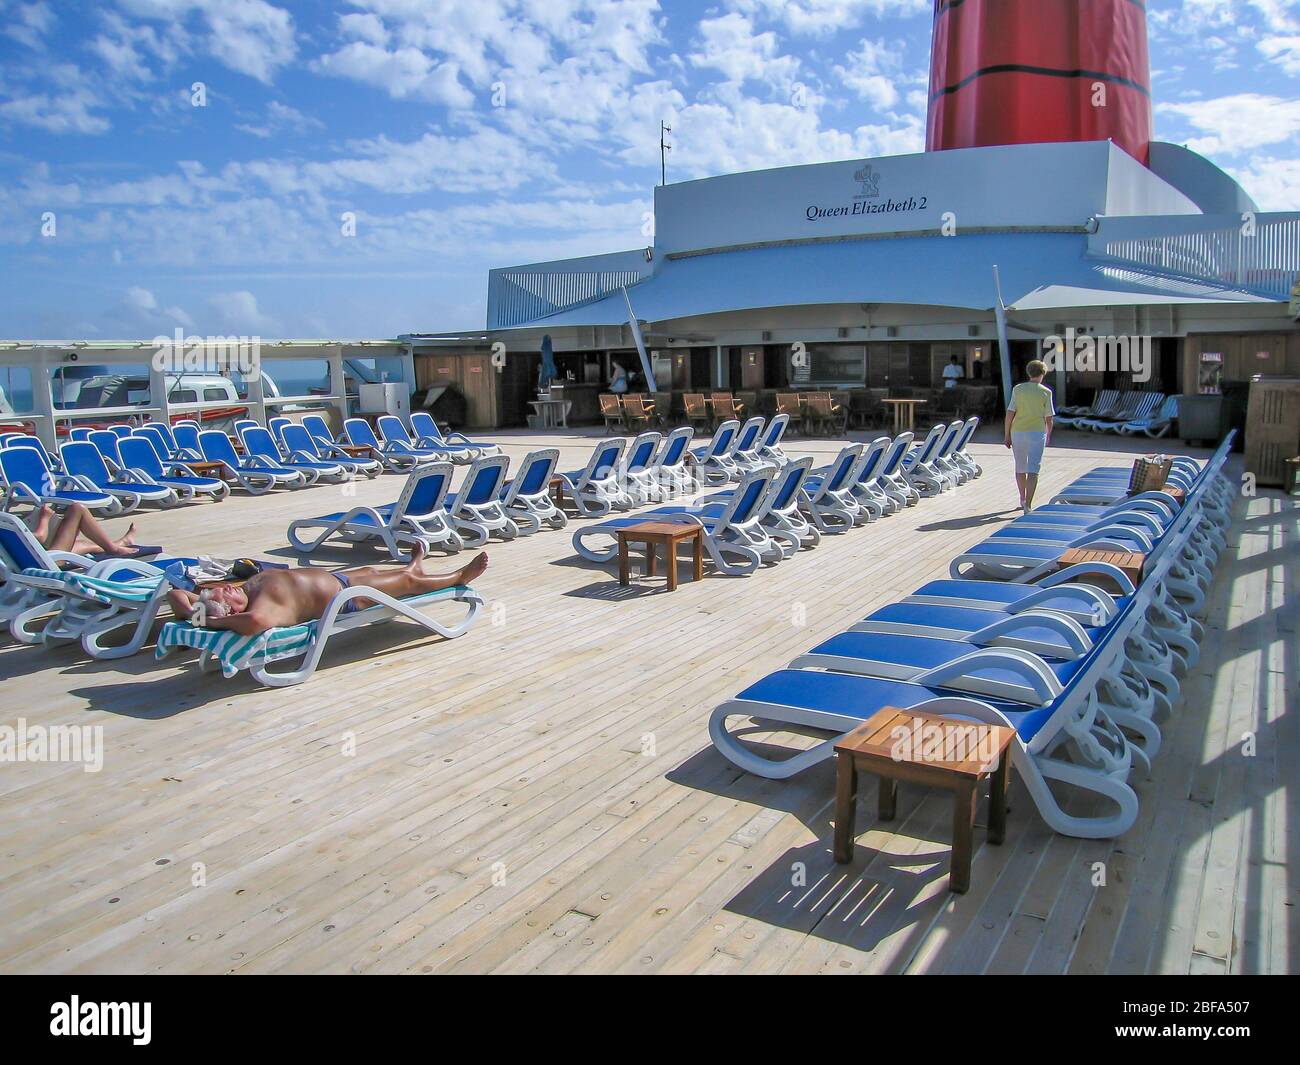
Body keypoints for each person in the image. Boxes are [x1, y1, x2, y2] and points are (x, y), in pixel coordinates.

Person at [166, 544, 488, 637]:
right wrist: (215, 622)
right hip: (345, 598)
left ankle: (411, 566)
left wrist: (203, 615)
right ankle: (458, 576)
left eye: (221, 589)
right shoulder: (259, 608)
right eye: (226, 595)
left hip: (337, 578)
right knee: (407, 586)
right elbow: (255, 624)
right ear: (233, 612)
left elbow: (175, 596)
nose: (225, 588)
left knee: (378, 571)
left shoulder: (244, 593)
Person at [1004, 359, 1055, 513]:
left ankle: (1022, 498)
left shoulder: (1018, 389)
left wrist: (1007, 434)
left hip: (1017, 431)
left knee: (1020, 467)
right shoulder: (1046, 392)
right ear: (1043, 373)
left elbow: (1010, 413)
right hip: (1037, 432)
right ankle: (1028, 505)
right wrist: (1048, 435)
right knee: (1033, 469)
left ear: (1029, 373)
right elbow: (1049, 419)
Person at [26, 502, 143, 557]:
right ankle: (113, 549)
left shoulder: (7, 523)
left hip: (37, 558)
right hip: (49, 560)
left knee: (82, 544)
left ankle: (122, 542)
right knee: (77, 509)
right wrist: (45, 518)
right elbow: (40, 537)